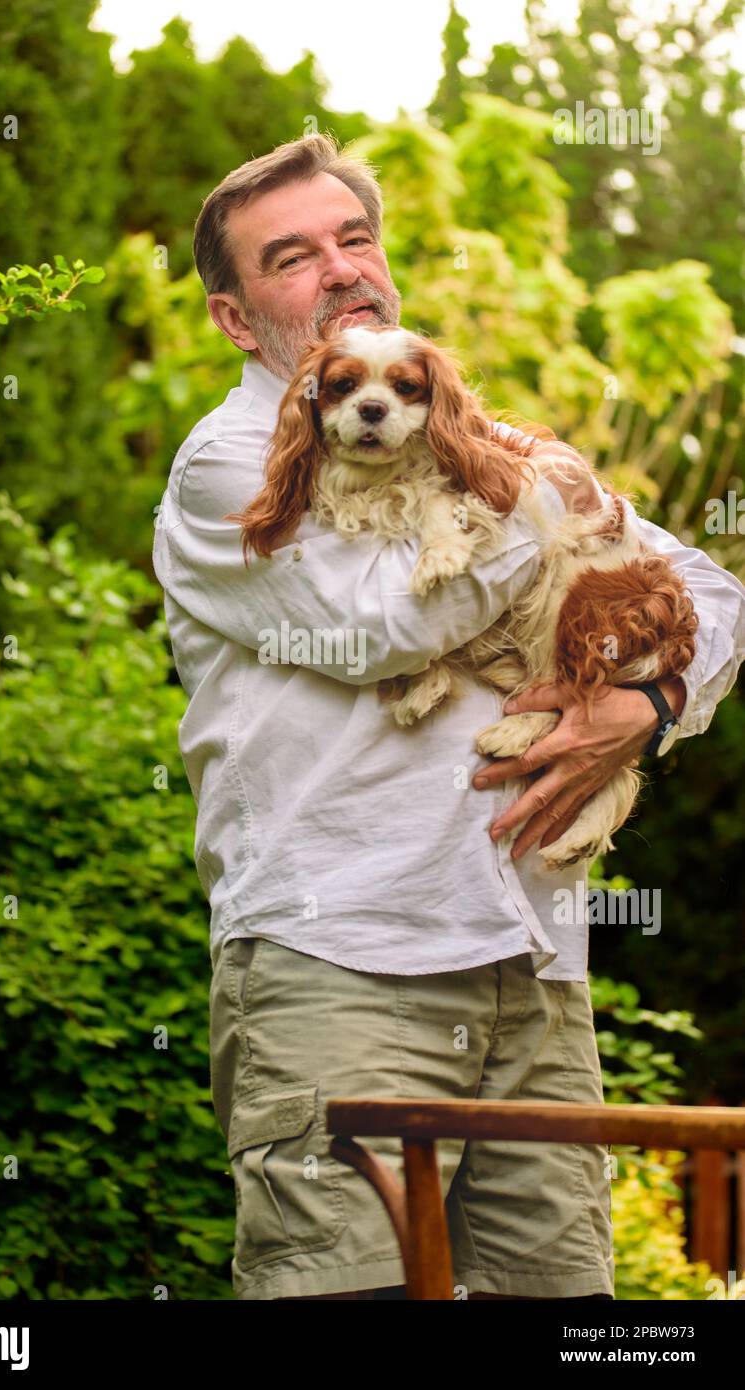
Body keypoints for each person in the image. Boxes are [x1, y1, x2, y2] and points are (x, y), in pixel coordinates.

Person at [152, 133, 745, 1300]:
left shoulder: (491, 447)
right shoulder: (223, 472)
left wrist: (649, 700)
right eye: (292, 257)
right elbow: (384, 622)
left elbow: (716, 595)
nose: (339, 269)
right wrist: (540, 501)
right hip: (340, 961)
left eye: (354, 237)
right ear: (234, 317)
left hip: (532, 961)